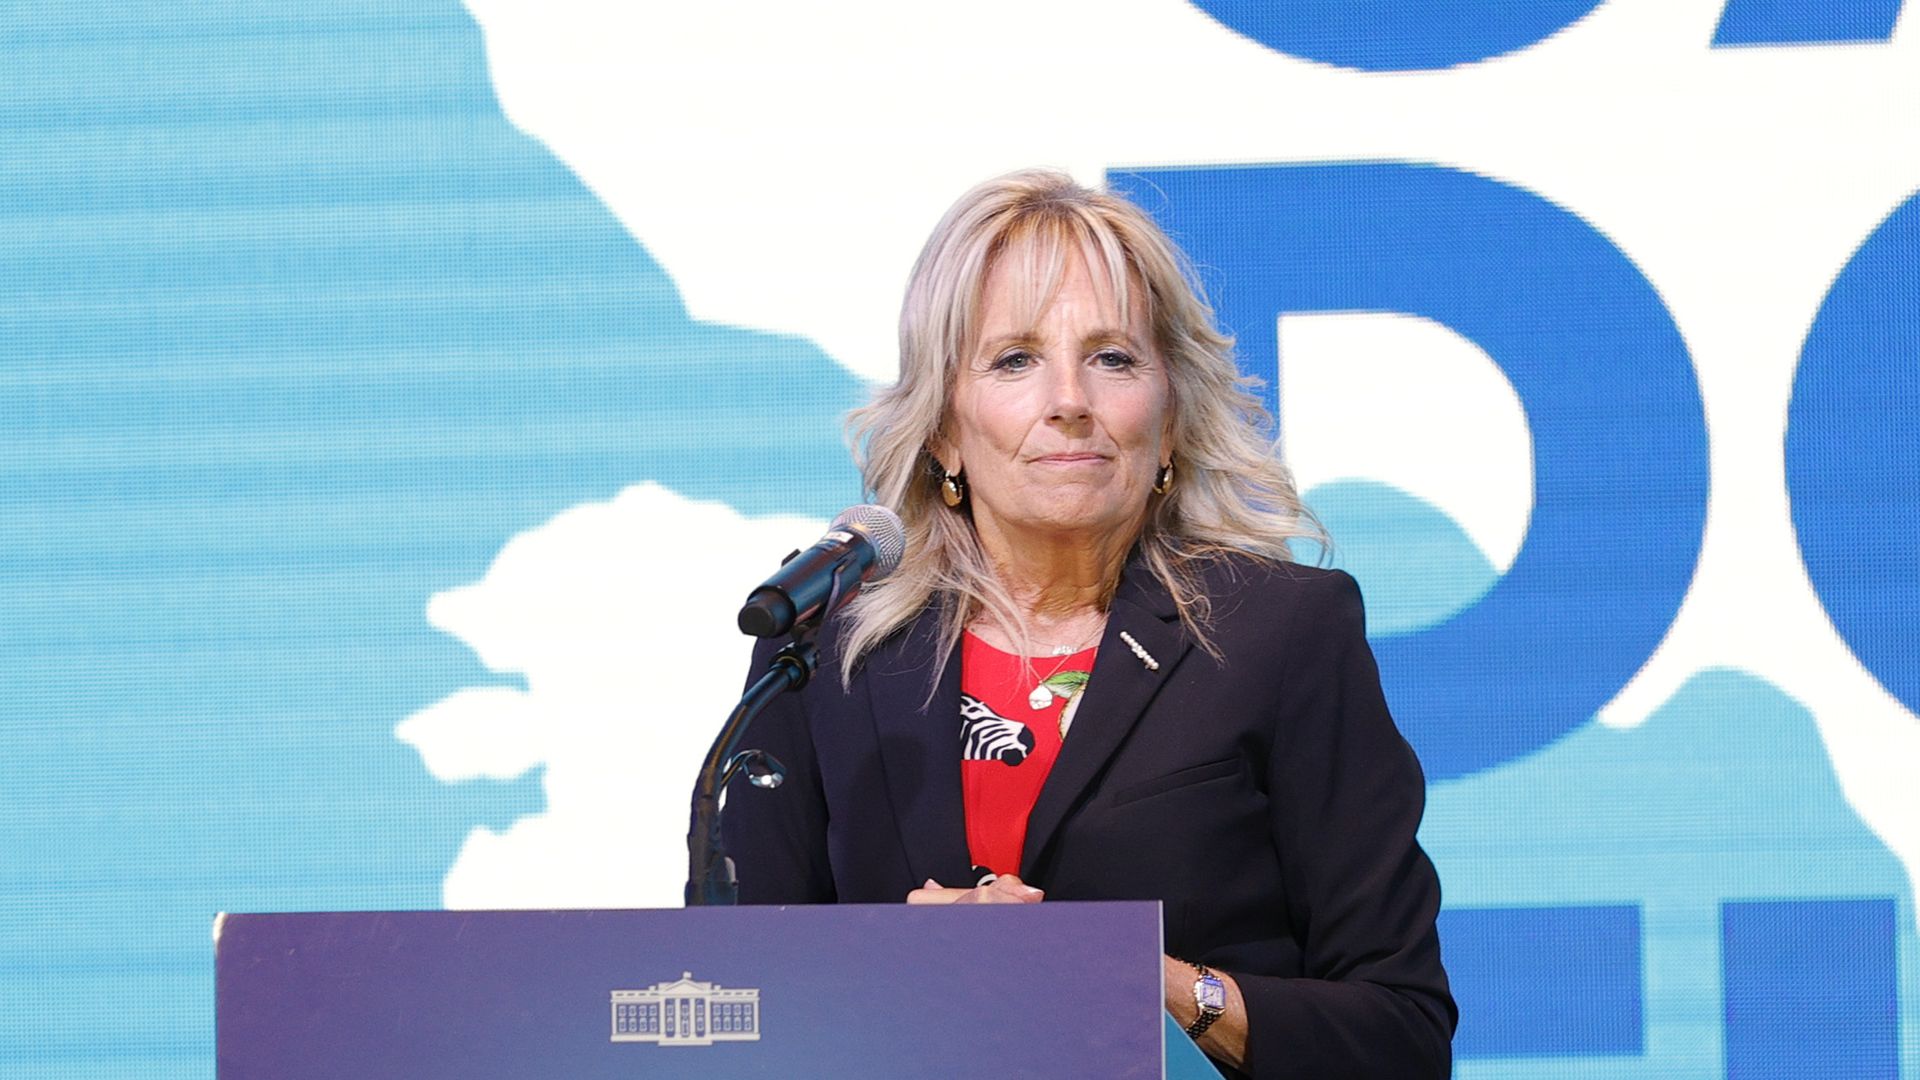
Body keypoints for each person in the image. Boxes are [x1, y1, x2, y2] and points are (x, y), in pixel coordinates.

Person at [718, 169, 1454, 1078]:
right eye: (1014, 360)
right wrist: (900, 963)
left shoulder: (1283, 634)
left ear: (1170, 418)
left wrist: (1138, 980)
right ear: (945, 429)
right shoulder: (826, 645)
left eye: (1112, 358)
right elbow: (735, 998)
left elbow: (1401, 1033)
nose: (1069, 399)